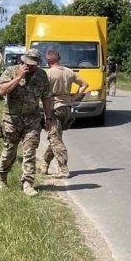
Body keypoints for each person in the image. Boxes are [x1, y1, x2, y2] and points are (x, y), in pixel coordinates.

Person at [0, 48, 53, 197]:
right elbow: (1, 91)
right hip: (12, 120)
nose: (31, 66)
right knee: (10, 151)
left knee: (30, 151)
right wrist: (18, 77)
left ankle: (27, 183)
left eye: (34, 64)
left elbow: (46, 97)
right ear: (23, 61)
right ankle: (2, 176)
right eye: (28, 63)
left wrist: (49, 118)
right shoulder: (11, 71)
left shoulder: (41, 75)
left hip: (32, 119)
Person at [40, 49, 88, 178]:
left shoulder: (48, 73)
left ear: (49, 59)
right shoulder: (69, 71)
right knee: (55, 136)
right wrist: (75, 97)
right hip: (67, 107)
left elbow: (44, 94)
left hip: (54, 107)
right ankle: (44, 164)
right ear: (59, 58)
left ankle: (63, 168)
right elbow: (85, 84)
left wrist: (46, 114)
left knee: (55, 139)